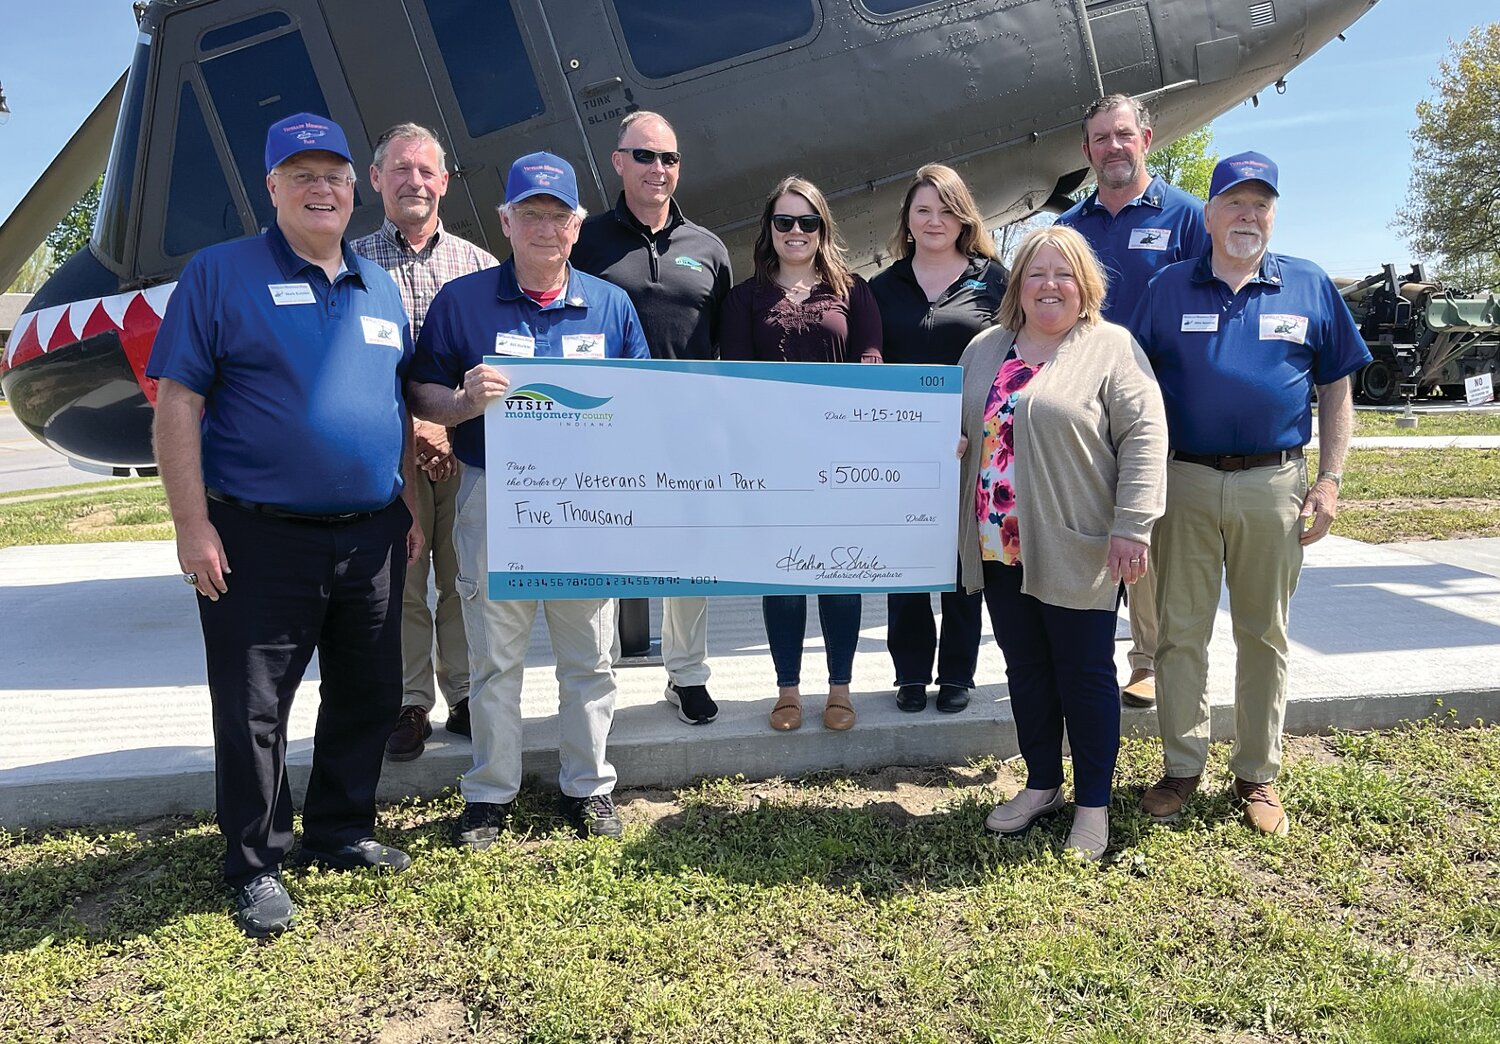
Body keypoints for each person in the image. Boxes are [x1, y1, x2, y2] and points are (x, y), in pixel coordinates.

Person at [148, 113, 420, 938]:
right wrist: (192, 525)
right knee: (254, 705)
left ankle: (339, 829)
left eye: (334, 174)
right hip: (257, 533)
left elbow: (395, 402)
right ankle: (257, 861)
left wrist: (402, 499)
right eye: (301, 174)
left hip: (371, 531)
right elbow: (177, 403)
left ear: (354, 187)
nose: (321, 188)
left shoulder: (379, 286)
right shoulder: (220, 274)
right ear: (272, 188)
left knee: (368, 692)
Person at [407, 152, 650, 846]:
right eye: (531, 214)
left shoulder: (610, 305)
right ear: (506, 221)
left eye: (558, 215)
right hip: (495, 496)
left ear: (576, 226)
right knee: (495, 656)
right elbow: (421, 388)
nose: (546, 228)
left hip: (583, 505)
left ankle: (589, 786)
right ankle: (490, 793)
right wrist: (458, 402)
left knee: (589, 655)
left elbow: (643, 401)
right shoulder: (465, 303)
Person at [1129, 152, 1370, 835]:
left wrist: (1330, 479)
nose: (1249, 215)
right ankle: (1181, 765)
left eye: (1261, 203)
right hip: (1186, 482)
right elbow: (1133, 387)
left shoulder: (1309, 285)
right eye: (1235, 202)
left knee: (1264, 632)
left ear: (1273, 214)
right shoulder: (1170, 287)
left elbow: (1336, 387)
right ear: (1207, 214)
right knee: (1180, 632)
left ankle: (1257, 775)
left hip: (1276, 483)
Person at [957, 225, 1166, 861]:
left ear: (1085, 287)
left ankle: (1093, 804)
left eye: (1064, 274)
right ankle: (1043, 782)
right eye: (1036, 274)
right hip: (999, 545)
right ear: (1017, 285)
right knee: (1025, 668)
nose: (1050, 285)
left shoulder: (1109, 347)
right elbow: (962, 427)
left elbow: (1146, 435)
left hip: (1079, 545)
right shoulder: (985, 348)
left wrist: (1133, 524)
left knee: (1085, 675)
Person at [572, 111, 732, 727]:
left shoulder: (709, 249)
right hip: (604, 428)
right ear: (618, 162)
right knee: (609, 554)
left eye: (667, 159)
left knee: (689, 556)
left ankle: (686, 676)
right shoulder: (584, 241)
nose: (657, 170)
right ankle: (600, 680)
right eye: (643, 156)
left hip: (686, 430)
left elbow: (721, 347)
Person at [1056, 94, 1210, 710]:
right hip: (1083, 410)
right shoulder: (1069, 229)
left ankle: (1146, 660)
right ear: (1087, 150)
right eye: (1100, 138)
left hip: (1159, 410)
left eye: (1123, 135)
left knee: (1144, 537)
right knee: (1083, 535)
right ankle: (1082, 657)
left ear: (1146, 137)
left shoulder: (1187, 217)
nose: (1112, 148)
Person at [352, 123, 499, 762]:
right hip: (388, 457)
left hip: (463, 448)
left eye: (426, 171)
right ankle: (411, 702)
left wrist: (444, 422)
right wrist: (412, 428)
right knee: (404, 580)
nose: (415, 181)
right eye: (400, 170)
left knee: (464, 577)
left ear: (444, 181)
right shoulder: (352, 265)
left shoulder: (480, 266)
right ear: (377, 179)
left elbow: (493, 367)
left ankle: (466, 693)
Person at [720, 175, 883, 732]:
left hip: (841, 461)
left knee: (842, 574)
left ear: (822, 229)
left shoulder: (855, 291)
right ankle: (787, 689)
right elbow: (736, 379)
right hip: (773, 462)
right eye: (784, 221)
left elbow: (871, 358)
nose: (796, 231)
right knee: (783, 577)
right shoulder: (745, 298)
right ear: (769, 229)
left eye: (807, 222)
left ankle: (840, 689)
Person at [868, 163, 1006, 716]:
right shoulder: (879, 288)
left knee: (959, 564)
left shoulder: (994, 281)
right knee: (906, 564)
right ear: (906, 219)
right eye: (923, 209)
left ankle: (956, 675)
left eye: (946, 209)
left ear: (963, 216)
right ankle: (909, 674)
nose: (934, 220)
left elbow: (1014, 359)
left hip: (972, 445)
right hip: (902, 449)